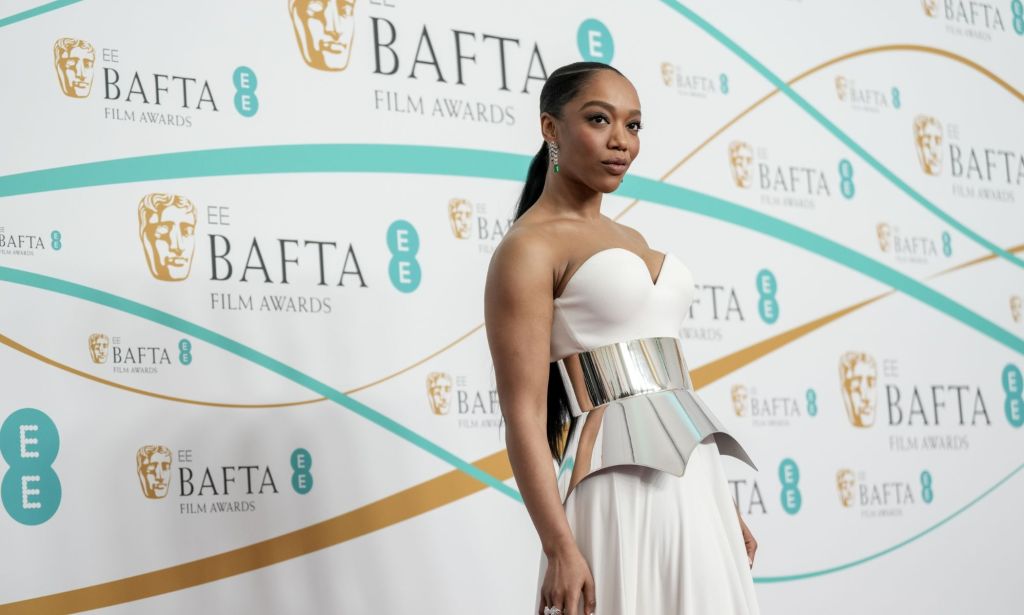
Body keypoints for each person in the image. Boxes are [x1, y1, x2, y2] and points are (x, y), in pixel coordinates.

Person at [484, 61, 761, 615]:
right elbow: (523, 417)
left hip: (695, 479)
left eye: (633, 126)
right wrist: (559, 545)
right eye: (598, 119)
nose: (621, 142)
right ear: (550, 129)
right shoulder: (529, 247)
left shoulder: (632, 236)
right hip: (614, 487)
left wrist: (722, 502)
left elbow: (669, 391)